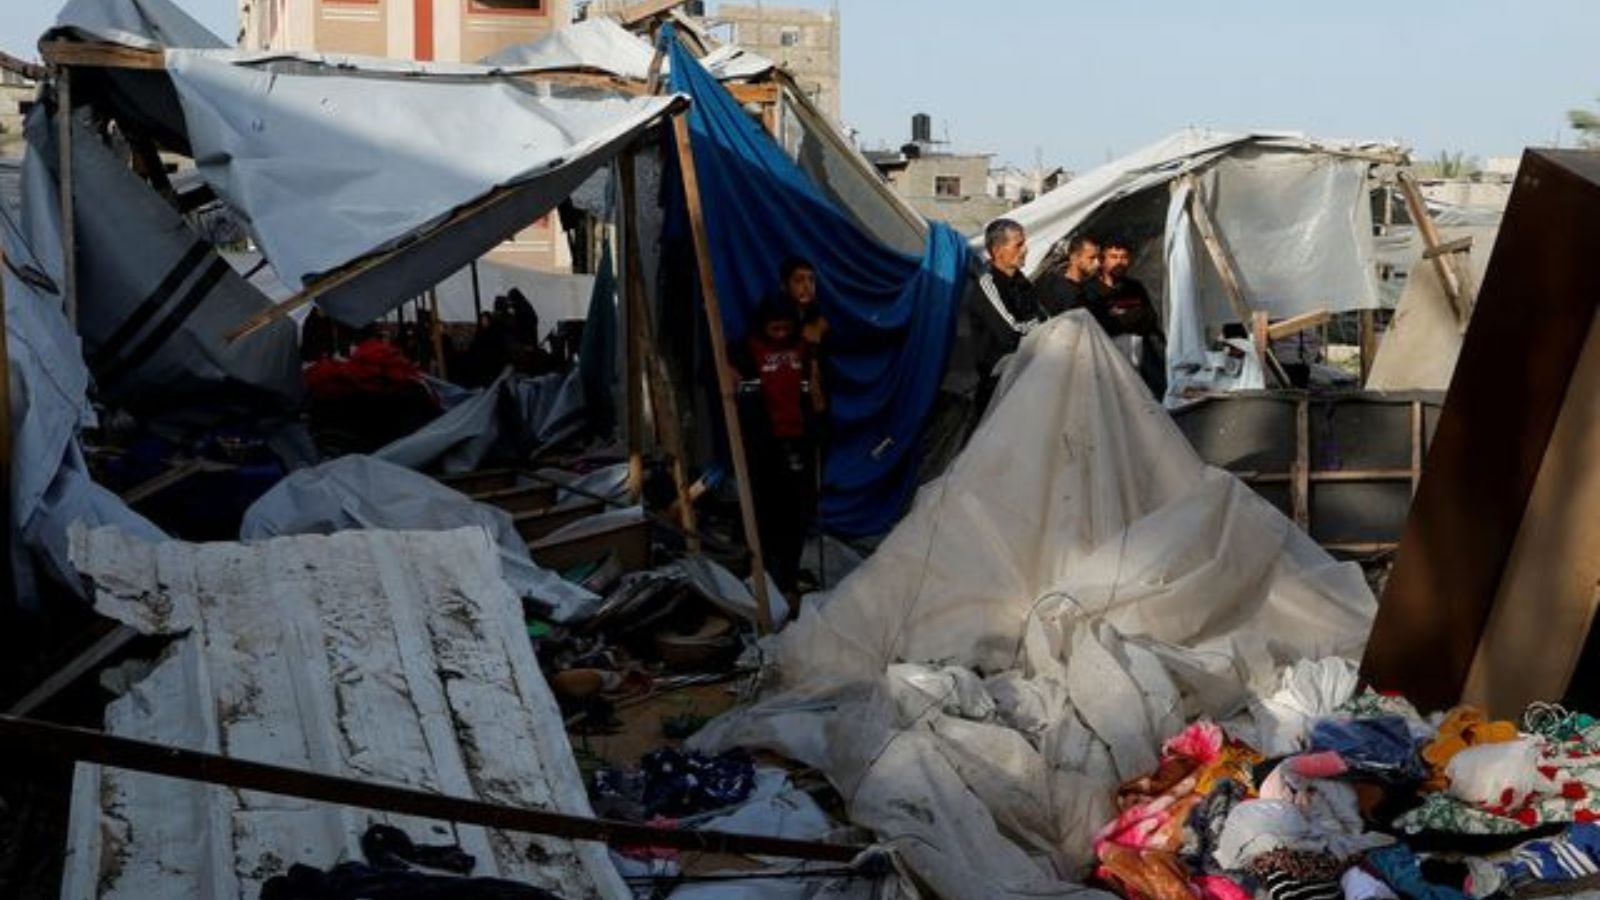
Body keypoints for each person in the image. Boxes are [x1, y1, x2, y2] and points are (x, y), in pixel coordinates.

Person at [734, 298, 825, 599]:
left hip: (797, 442)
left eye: (787, 328)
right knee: (765, 514)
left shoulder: (803, 348)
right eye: (775, 328)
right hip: (764, 445)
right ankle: (764, 581)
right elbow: (728, 380)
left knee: (796, 514)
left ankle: (788, 580)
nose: (781, 333)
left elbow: (816, 396)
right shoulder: (748, 349)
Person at [967, 218, 1041, 414]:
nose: (1025, 249)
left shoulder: (1021, 281)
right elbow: (1010, 333)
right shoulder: (988, 284)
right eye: (1019, 244)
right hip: (998, 385)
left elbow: (1044, 316)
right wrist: (1040, 327)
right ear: (998, 250)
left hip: (1025, 375)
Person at [1088, 235, 1167, 398]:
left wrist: (1121, 317)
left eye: (1124, 257)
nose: (1119, 262)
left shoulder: (1134, 287)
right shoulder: (1092, 291)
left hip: (1142, 350)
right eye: (1113, 257)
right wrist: (1131, 317)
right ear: (1102, 260)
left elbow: (1150, 319)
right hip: (1111, 356)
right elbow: (1102, 326)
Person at [1032, 233, 1101, 319]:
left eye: (1098, 258)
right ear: (1074, 258)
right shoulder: (1052, 285)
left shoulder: (1090, 290)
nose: (1097, 263)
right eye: (1092, 258)